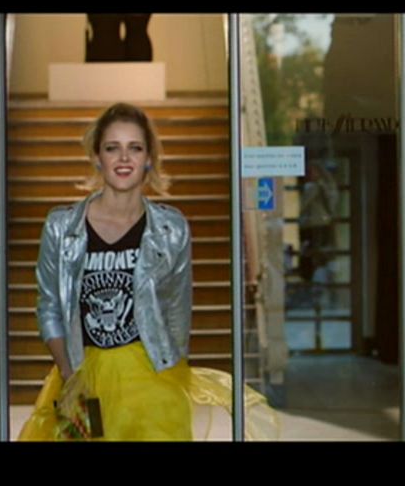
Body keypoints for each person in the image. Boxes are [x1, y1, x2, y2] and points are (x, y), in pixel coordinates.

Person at [18, 102, 279, 441]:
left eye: (135, 148)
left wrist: (174, 375)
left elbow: (177, 311)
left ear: (149, 158)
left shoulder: (171, 228)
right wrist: (69, 375)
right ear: (96, 157)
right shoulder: (61, 226)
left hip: (153, 381)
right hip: (81, 378)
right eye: (112, 148)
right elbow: (49, 306)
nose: (124, 158)